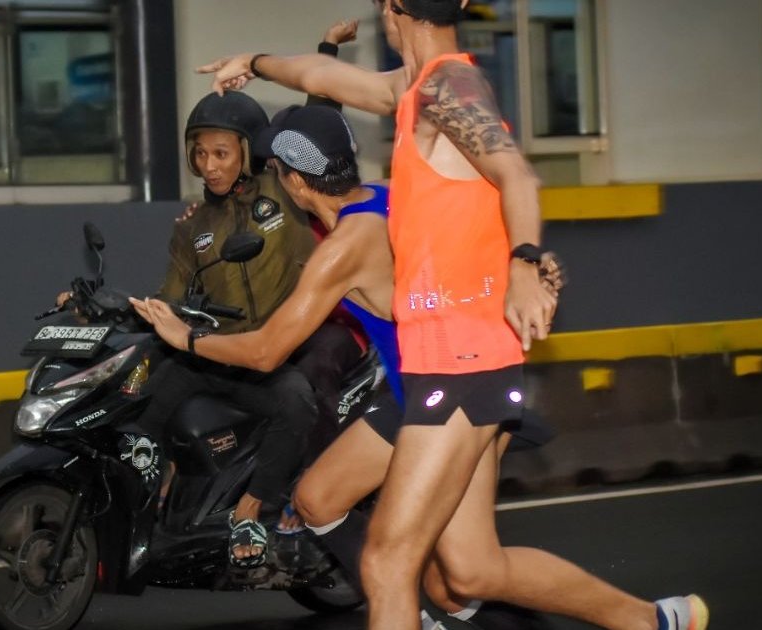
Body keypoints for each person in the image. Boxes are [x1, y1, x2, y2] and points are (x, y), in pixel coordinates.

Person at [196, 2, 709, 629]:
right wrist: (253, 62)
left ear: (392, 9)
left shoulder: (448, 86)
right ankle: (654, 622)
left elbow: (517, 174)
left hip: (460, 361)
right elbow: (326, 80)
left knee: (387, 564)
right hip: (453, 361)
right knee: (469, 572)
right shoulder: (418, 87)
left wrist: (523, 261)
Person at [133, 103, 558, 630]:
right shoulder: (381, 196)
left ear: (293, 180)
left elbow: (266, 351)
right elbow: (465, 219)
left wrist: (188, 339)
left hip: (445, 394)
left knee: (457, 574)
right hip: (417, 388)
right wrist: (529, 262)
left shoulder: (339, 248)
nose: (215, 164)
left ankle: (636, 617)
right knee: (323, 504)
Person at [124, 23, 365, 569]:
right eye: (200, 154)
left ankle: (256, 509)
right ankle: (152, 503)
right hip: (221, 351)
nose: (208, 165)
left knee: (297, 401)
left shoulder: (284, 190)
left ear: (250, 154)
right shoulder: (192, 225)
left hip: (272, 351)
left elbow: (317, 122)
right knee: (147, 394)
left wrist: (328, 50)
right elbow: (171, 293)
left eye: (221, 153)